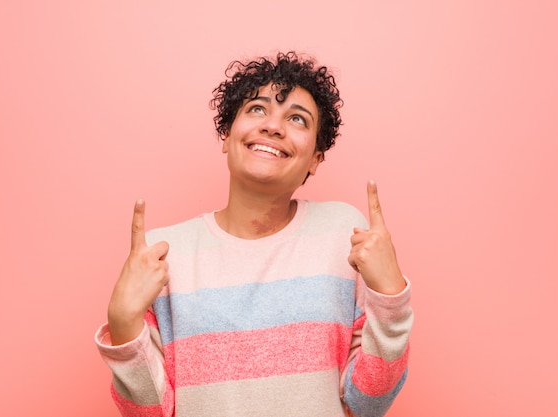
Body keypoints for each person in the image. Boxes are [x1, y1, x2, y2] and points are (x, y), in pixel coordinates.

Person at [95, 51, 414, 417]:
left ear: (315, 159)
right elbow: (149, 414)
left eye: (297, 118)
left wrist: (391, 298)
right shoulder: (162, 256)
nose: (273, 126)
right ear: (227, 136)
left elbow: (368, 404)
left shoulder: (344, 234)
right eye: (258, 109)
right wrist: (123, 325)